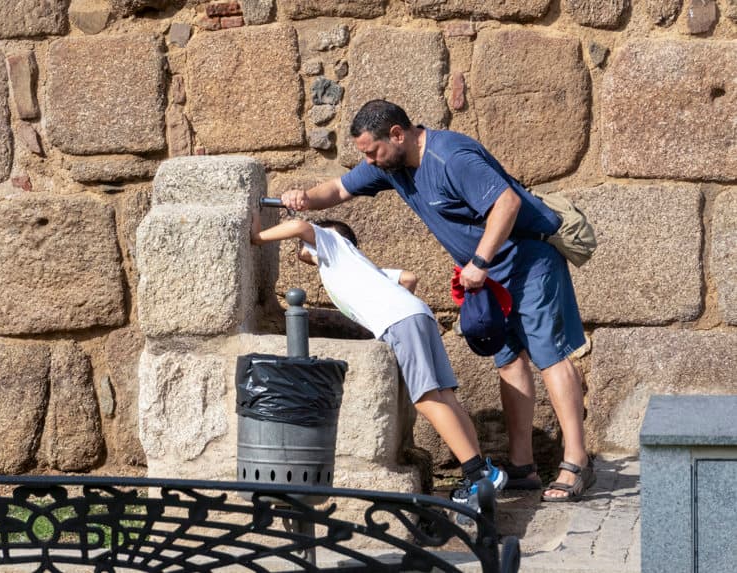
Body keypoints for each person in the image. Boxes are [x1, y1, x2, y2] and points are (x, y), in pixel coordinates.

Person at [280, 99, 595, 502]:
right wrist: (303, 199)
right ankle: (523, 467)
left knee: (549, 354)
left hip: (528, 260)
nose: (370, 161)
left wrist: (479, 261)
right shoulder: (391, 167)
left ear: (398, 134)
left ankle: (575, 462)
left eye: (372, 151)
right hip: (486, 276)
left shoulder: (450, 156)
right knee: (509, 359)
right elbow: (339, 189)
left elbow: (507, 203)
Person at [249, 211, 507, 512]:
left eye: (308, 244)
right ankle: (482, 473)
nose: (301, 250)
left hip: (401, 320)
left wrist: (257, 237)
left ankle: (477, 473)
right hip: (416, 314)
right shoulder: (358, 267)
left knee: (424, 397)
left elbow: (299, 226)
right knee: (444, 395)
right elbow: (409, 278)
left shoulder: (334, 244)